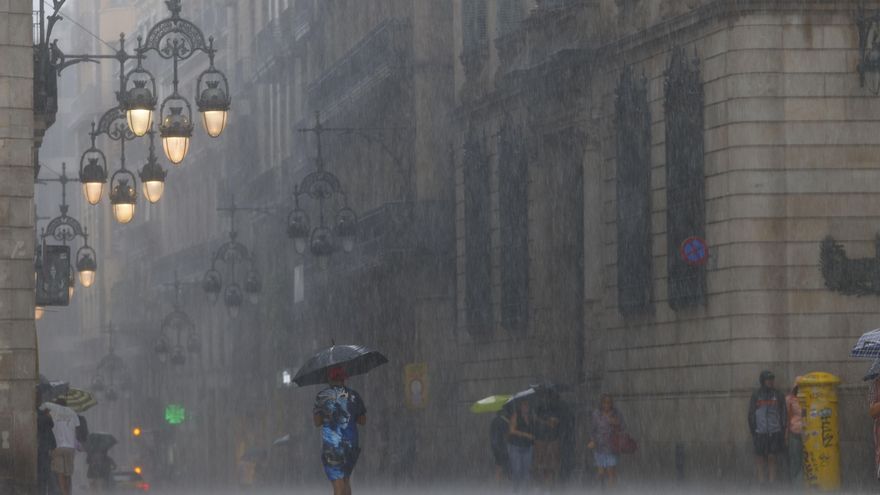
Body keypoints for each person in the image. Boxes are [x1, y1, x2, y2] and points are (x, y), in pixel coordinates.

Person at [313, 367, 366, 495]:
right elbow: (362, 420)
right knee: (346, 480)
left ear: (329, 379)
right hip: (351, 445)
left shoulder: (322, 396)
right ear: (344, 378)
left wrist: (329, 416)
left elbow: (317, 422)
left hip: (332, 445)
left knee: (338, 484)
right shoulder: (354, 395)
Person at [748, 370, 787, 485]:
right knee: (759, 458)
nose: (770, 381)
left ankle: (772, 483)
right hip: (760, 432)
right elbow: (751, 414)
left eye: (772, 379)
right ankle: (761, 483)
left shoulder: (778, 395)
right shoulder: (756, 395)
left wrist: (782, 430)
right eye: (768, 379)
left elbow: (783, 413)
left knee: (772, 457)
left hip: (774, 432)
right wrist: (754, 430)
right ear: (762, 381)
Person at [41, 398, 80, 495]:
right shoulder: (73, 413)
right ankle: (68, 493)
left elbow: (45, 419)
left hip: (57, 447)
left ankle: (64, 493)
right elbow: (76, 429)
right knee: (68, 474)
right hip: (70, 447)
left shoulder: (52, 413)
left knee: (60, 473)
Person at [588, 394, 625, 488]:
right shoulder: (596, 414)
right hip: (599, 446)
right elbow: (592, 429)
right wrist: (592, 440)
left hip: (611, 447)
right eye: (604, 402)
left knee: (611, 472)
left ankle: (611, 489)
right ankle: (598, 487)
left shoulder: (616, 413)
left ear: (612, 403)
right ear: (601, 403)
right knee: (601, 472)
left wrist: (616, 423)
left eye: (609, 403)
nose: (607, 405)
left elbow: (623, 426)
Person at [533, 397, 561, 487]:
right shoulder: (538, 408)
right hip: (541, 440)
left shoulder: (556, 409)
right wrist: (546, 422)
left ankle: (551, 483)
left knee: (552, 463)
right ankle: (541, 483)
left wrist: (553, 421)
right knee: (541, 462)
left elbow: (557, 422)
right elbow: (536, 419)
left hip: (552, 440)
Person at [506, 399, 534, 491]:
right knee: (517, 470)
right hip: (515, 447)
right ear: (520, 406)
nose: (526, 407)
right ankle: (516, 490)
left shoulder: (531, 417)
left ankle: (525, 491)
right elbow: (511, 430)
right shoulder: (515, 415)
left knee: (526, 471)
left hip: (528, 447)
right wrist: (525, 434)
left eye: (527, 405)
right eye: (524, 405)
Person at [786, 377, 804, 484]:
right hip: (795, 433)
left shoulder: (808, 398)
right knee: (796, 460)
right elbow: (787, 418)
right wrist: (786, 435)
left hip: (808, 434)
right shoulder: (790, 399)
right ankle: (796, 485)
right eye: (798, 387)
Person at [37, 407, 56, 495]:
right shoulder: (47, 422)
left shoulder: (39, 419)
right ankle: (49, 492)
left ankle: (42, 491)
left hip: (40, 449)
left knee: (42, 473)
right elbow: (52, 440)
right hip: (46, 450)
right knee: (48, 473)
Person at [489, 409, 510, 484]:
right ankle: (504, 481)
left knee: (498, 464)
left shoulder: (493, 421)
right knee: (505, 464)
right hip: (503, 446)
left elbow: (491, 434)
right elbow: (506, 435)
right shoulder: (505, 422)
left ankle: (498, 481)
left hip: (495, 446)